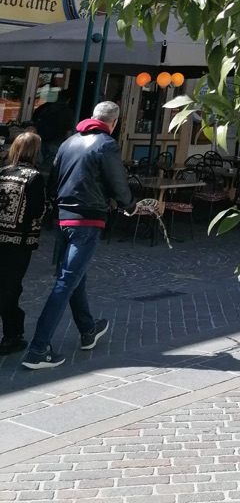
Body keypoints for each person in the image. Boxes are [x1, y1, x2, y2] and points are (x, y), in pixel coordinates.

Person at [21, 101, 136, 370]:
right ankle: (38, 349)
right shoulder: (106, 144)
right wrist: (129, 205)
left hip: (63, 217)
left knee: (74, 278)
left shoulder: (68, 143)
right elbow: (118, 181)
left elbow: (53, 179)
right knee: (66, 281)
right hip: (87, 218)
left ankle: (88, 329)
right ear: (113, 123)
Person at [0, 131, 46, 354]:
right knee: (9, 287)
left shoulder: (2, 173)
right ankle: (12, 335)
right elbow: (37, 210)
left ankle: (13, 333)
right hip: (19, 242)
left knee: (9, 287)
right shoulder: (34, 177)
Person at [31, 90, 75, 167]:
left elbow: (36, 120)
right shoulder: (67, 111)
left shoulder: (47, 107)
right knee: (50, 167)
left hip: (42, 139)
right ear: (68, 99)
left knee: (38, 164)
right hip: (57, 141)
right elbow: (68, 132)